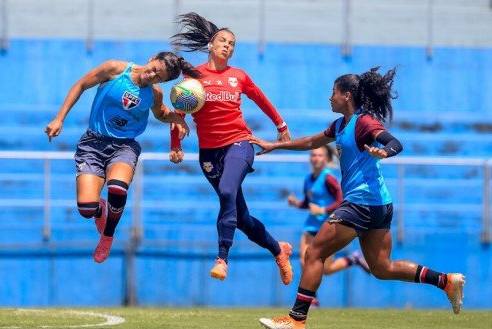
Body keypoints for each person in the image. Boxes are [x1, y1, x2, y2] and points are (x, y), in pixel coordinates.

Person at [251, 67, 465, 328]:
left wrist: (384, 152)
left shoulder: (363, 122)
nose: (330, 98)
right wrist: (274, 145)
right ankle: (445, 281)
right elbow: (311, 142)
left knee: (314, 252)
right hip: (378, 205)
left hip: (361, 203)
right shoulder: (340, 125)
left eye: (333, 92)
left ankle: (296, 319)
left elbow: (394, 142)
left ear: (347, 96)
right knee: (382, 268)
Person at [168, 12, 294, 285]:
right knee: (242, 218)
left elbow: (261, 99)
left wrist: (281, 126)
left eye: (232, 43)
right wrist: (176, 144)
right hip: (209, 153)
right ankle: (278, 250)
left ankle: (222, 258)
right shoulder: (194, 77)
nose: (227, 45)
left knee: (226, 190)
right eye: (222, 41)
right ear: (211, 46)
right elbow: (179, 112)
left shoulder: (238, 76)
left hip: (239, 143)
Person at [45, 52, 202, 263]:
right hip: (93, 144)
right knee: (86, 209)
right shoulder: (114, 69)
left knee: (118, 187)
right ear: (152, 58)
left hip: (124, 146)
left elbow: (161, 113)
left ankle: (108, 235)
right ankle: (99, 209)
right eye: (154, 69)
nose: (152, 76)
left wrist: (177, 120)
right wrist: (59, 118)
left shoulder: (154, 94)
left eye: (158, 77)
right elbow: (81, 85)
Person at [288, 145, 370, 307]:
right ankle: (312, 299)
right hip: (310, 226)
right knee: (304, 262)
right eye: (313, 155)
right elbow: (308, 203)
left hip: (327, 226)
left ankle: (352, 260)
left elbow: (341, 201)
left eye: (319, 155)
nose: (315, 158)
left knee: (325, 269)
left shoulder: (328, 178)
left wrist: (322, 209)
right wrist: (297, 203)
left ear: (326, 159)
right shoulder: (308, 179)